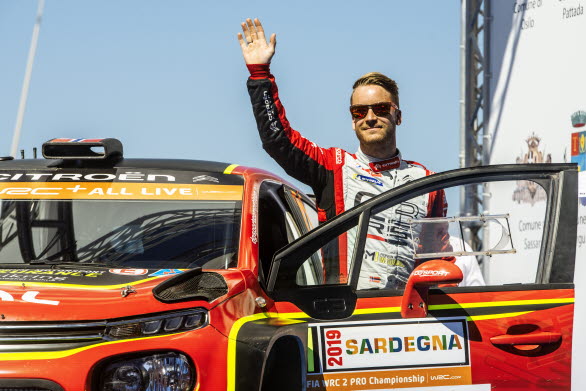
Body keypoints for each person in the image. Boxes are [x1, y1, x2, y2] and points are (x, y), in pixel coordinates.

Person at [238, 19, 451, 289]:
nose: (370, 118)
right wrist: (260, 75)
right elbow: (278, 140)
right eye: (359, 112)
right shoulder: (334, 167)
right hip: (346, 314)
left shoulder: (427, 182)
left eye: (381, 109)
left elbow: (439, 259)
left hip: (404, 314)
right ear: (352, 120)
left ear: (398, 115)